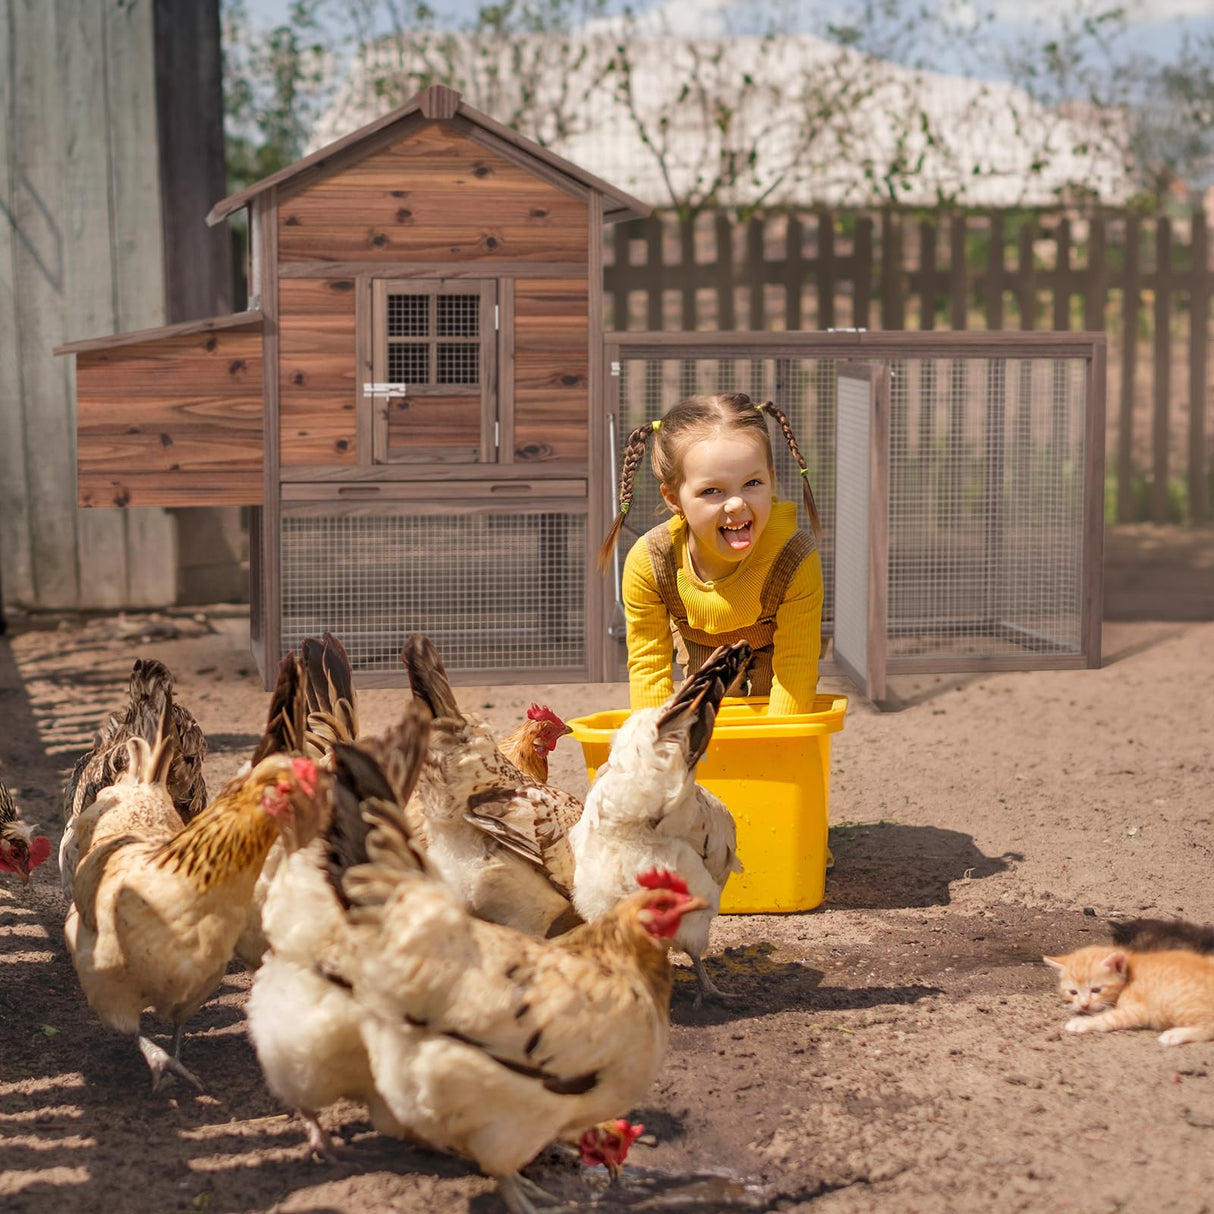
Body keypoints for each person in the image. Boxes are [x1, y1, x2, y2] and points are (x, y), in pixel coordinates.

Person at [600, 392, 825, 717]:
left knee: (764, 711)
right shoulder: (650, 563)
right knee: (708, 714)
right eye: (711, 491)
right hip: (702, 651)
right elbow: (649, 669)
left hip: (778, 660)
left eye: (752, 483)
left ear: (772, 481)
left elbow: (796, 668)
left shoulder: (794, 558)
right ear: (674, 498)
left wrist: (779, 750)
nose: (736, 503)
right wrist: (653, 752)